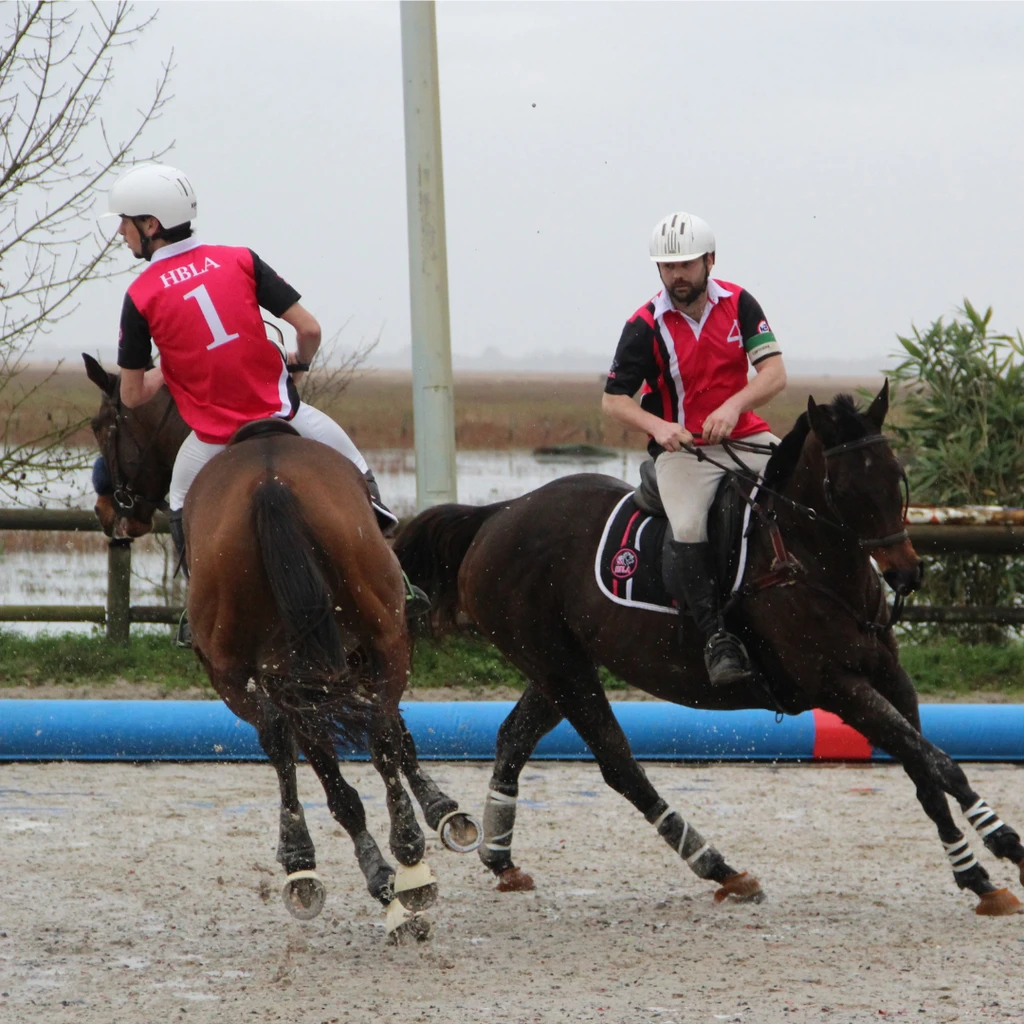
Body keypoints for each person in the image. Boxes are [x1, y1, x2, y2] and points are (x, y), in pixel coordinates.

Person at [105, 163, 427, 646]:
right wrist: (300, 362)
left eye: (125, 221)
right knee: (363, 487)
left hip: (213, 442)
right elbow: (311, 329)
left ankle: (197, 615)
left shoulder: (141, 294)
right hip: (288, 415)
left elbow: (132, 395)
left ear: (152, 225)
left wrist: (173, 365)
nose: (121, 231)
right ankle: (398, 584)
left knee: (180, 506)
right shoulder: (240, 258)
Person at [602, 212, 787, 685]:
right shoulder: (643, 325)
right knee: (687, 524)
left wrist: (736, 405)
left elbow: (774, 374)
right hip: (685, 451)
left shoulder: (741, 303)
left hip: (749, 436)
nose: (676, 276)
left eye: (685, 264)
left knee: (805, 488)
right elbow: (613, 400)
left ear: (709, 260)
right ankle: (715, 638)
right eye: (667, 267)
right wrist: (659, 427)